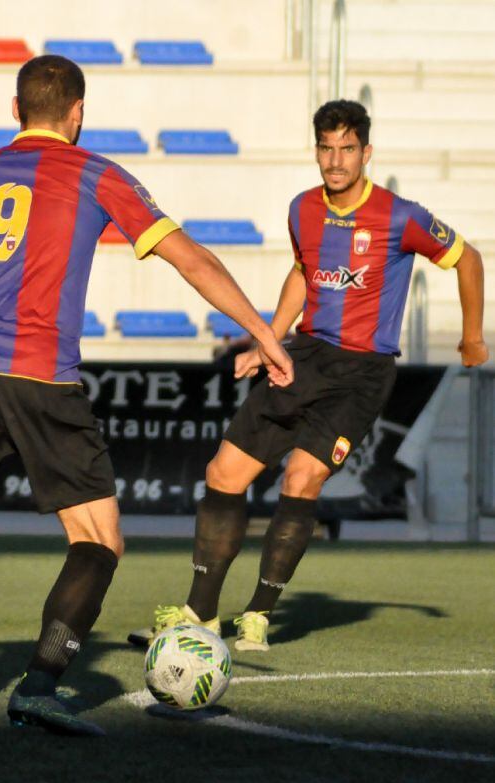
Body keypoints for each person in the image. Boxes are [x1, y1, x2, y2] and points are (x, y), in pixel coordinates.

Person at [0, 54, 292, 737]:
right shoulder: (96, 173)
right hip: (42, 377)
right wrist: (265, 332)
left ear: (16, 109)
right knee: (98, 539)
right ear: (77, 113)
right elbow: (191, 258)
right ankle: (40, 685)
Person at [130, 99, 488, 653]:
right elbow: (302, 272)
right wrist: (270, 340)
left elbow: (468, 259)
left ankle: (257, 617)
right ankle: (199, 613)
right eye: (327, 147)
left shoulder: (400, 216)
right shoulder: (302, 209)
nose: (336, 159)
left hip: (362, 374)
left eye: (347, 149)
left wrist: (471, 336)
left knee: (301, 479)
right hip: (305, 357)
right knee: (224, 471)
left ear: (366, 153)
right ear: (316, 149)